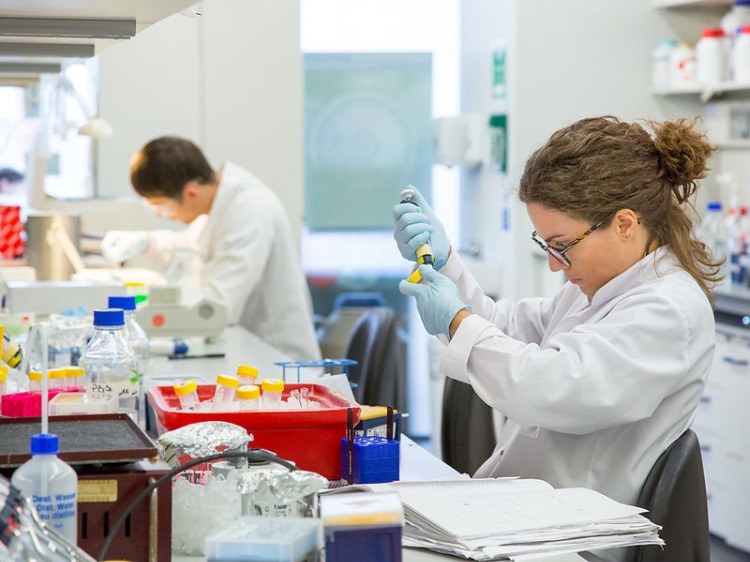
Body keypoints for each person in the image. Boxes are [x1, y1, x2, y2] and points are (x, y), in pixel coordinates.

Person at [393, 116, 718, 560]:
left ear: (625, 224)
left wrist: (456, 323)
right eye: (545, 244)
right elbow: (500, 326)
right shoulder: (599, 290)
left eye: (562, 245)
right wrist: (447, 264)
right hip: (524, 520)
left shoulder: (668, 310)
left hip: (575, 543)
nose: (553, 265)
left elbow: (543, 386)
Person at [101, 136, 321, 361]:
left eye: (160, 206)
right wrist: (147, 242)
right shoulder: (217, 207)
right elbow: (186, 251)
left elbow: (217, 308)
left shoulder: (248, 211)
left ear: (191, 193)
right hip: (248, 353)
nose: (159, 214)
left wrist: (142, 321)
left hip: (281, 363)